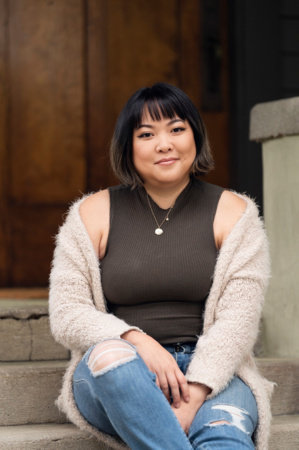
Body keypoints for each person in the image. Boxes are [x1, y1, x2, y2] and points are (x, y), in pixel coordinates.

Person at [49, 83, 274, 450]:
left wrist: (196, 393)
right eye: (146, 134)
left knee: (224, 440)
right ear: (129, 147)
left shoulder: (235, 213)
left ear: (195, 137)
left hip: (214, 372)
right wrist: (137, 340)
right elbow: (67, 312)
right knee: (112, 357)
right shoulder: (91, 213)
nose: (164, 144)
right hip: (117, 374)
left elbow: (239, 320)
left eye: (176, 129)